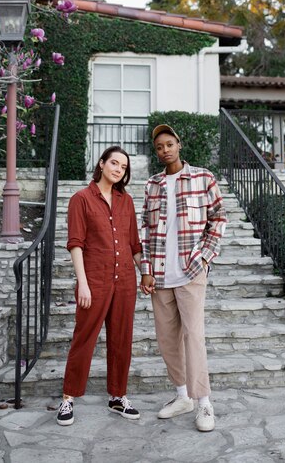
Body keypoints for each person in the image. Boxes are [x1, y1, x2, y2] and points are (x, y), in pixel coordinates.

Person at [140, 124, 227, 432]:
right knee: (167, 341)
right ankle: (182, 396)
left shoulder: (203, 177)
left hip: (191, 272)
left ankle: (203, 402)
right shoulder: (152, 184)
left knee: (193, 337)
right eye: (159, 146)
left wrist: (203, 257)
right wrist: (146, 271)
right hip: (160, 277)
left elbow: (219, 218)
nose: (165, 150)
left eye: (169, 144)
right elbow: (146, 232)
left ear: (178, 144)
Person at [57, 145, 142, 426]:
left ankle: (117, 396)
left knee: (121, 339)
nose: (119, 169)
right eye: (115, 163)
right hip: (94, 280)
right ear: (102, 163)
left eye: (124, 167)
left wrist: (147, 272)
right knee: (85, 338)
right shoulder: (81, 199)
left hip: (126, 280)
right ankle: (68, 399)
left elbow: (134, 244)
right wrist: (82, 283)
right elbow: (76, 244)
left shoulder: (125, 201)